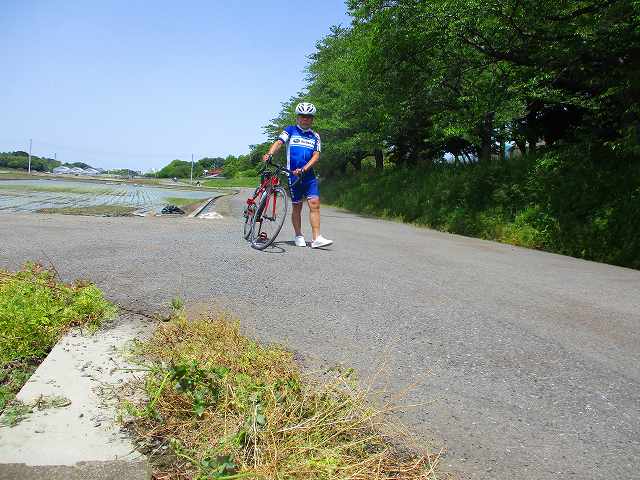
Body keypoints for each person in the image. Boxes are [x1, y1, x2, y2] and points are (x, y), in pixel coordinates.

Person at [262, 102, 333, 249]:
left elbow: (316, 155)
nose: (305, 119)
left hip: (308, 175)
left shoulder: (315, 136)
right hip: (293, 175)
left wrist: (305, 169)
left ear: (312, 119)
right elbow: (279, 143)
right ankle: (298, 235)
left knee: (315, 203)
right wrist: (270, 154)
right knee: (297, 206)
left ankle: (316, 238)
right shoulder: (290, 130)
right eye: (302, 116)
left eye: (308, 117)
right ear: (298, 118)